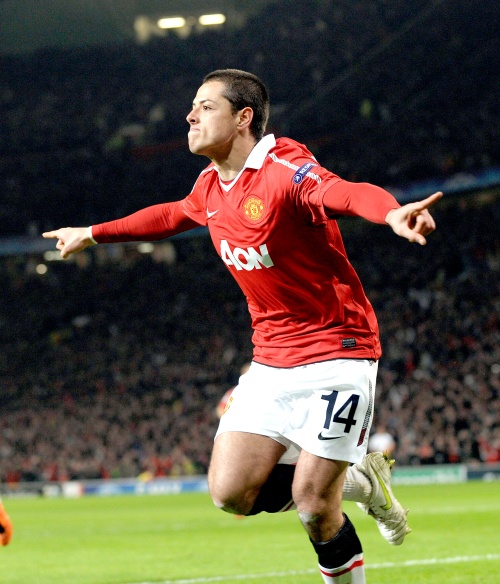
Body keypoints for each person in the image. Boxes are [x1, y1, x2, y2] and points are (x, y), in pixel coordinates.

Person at [44, 68, 441, 583]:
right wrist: (93, 233)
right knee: (229, 493)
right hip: (271, 361)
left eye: (206, 106)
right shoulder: (211, 185)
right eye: (193, 106)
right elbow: (169, 217)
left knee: (313, 504)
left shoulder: (284, 167)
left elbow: (344, 193)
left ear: (243, 118)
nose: (191, 116)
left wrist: (390, 214)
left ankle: (348, 499)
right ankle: (364, 482)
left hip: (337, 352)